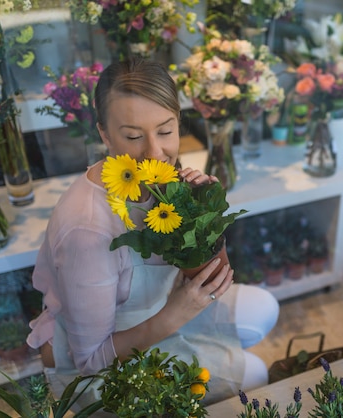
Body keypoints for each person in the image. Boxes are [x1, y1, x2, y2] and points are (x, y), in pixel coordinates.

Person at [26, 58, 279, 408]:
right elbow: (90, 361)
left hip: (164, 307)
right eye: (132, 136)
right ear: (104, 133)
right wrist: (178, 313)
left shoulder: (166, 182)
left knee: (266, 307)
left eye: (165, 131)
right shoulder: (87, 229)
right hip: (107, 359)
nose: (155, 154)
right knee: (253, 374)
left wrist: (205, 214)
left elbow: (213, 276)